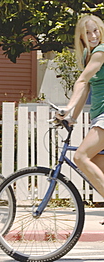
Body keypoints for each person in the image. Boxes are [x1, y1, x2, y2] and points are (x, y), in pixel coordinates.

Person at [56, 14, 104, 211]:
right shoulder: (88, 55)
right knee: (96, 163)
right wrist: (73, 117)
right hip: (98, 115)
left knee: (80, 157)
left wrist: (67, 107)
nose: (93, 36)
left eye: (96, 30)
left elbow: (82, 81)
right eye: (87, 33)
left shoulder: (101, 51)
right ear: (81, 37)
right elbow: (86, 89)